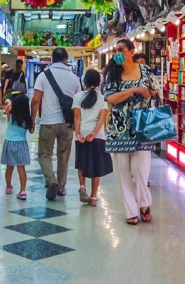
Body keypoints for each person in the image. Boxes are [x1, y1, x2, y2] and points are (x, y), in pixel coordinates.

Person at [103, 39, 158, 225]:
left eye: (121, 49)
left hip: (142, 126)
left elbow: (152, 92)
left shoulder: (145, 70)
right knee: (123, 171)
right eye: (116, 50)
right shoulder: (112, 74)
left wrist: (149, 93)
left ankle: (144, 203)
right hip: (118, 128)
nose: (118, 53)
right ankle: (130, 211)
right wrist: (134, 90)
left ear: (131, 51)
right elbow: (110, 98)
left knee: (141, 169)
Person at [30, 47, 81, 200]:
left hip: (48, 122)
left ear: (52, 59)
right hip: (67, 124)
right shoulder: (74, 78)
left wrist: (32, 119)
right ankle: (61, 186)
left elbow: (35, 100)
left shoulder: (43, 76)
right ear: (66, 59)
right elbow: (78, 103)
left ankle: (51, 181)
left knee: (45, 154)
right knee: (63, 156)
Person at [73, 69, 112, 207]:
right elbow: (102, 119)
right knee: (97, 166)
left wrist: (78, 134)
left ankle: (83, 186)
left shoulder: (78, 97)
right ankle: (94, 196)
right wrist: (94, 133)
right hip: (98, 137)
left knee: (82, 162)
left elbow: (77, 117)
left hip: (82, 135)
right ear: (98, 83)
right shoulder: (103, 98)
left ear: (84, 81)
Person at [1, 92, 31, 200]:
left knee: (9, 168)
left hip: (9, 143)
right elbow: (31, 130)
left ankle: (8, 187)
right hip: (21, 144)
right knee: (21, 169)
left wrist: (9, 101)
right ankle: (22, 191)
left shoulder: (10, 113)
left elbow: (7, 103)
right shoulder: (28, 119)